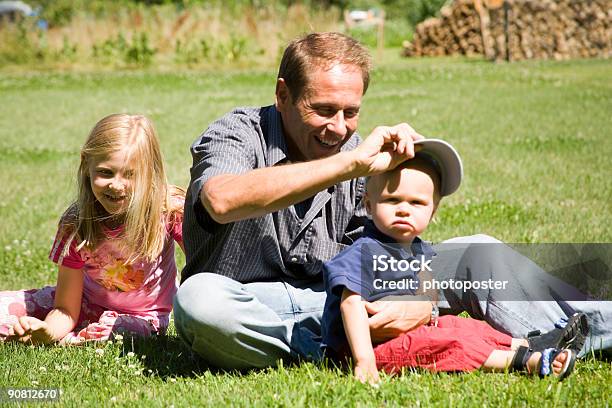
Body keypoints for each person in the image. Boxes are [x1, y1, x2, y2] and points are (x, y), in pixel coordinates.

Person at [173, 32, 604, 370]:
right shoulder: (237, 133)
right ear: (282, 95)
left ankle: (572, 337)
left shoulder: (358, 153)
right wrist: (349, 167)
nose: (339, 128)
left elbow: (389, 249)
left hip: (347, 297)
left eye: (351, 111)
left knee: (477, 251)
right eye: (323, 110)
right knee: (199, 302)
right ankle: (336, 348)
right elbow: (221, 200)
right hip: (252, 301)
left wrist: (421, 295)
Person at [321, 139, 579, 383]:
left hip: (404, 333)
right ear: (368, 204)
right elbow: (350, 304)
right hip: (363, 347)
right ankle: (527, 361)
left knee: (461, 325)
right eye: (392, 200)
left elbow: (427, 286)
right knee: (450, 341)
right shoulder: (364, 252)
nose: (403, 209)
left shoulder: (416, 248)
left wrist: (424, 304)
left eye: (417, 203)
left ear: (433, 212)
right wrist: (363, 360)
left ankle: (529, 344)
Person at [0, 113, 185, 345]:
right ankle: (57, 336)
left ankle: (77, 337)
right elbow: (66, 309)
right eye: (106, 172)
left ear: (151, 173)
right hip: (83, 304)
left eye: (130, 174)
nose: (116, 185)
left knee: (119, 331)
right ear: (86, 165)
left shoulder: (169, 210)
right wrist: (47, 330)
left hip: (145, 317)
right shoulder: (76, 223)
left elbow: (207, 264)